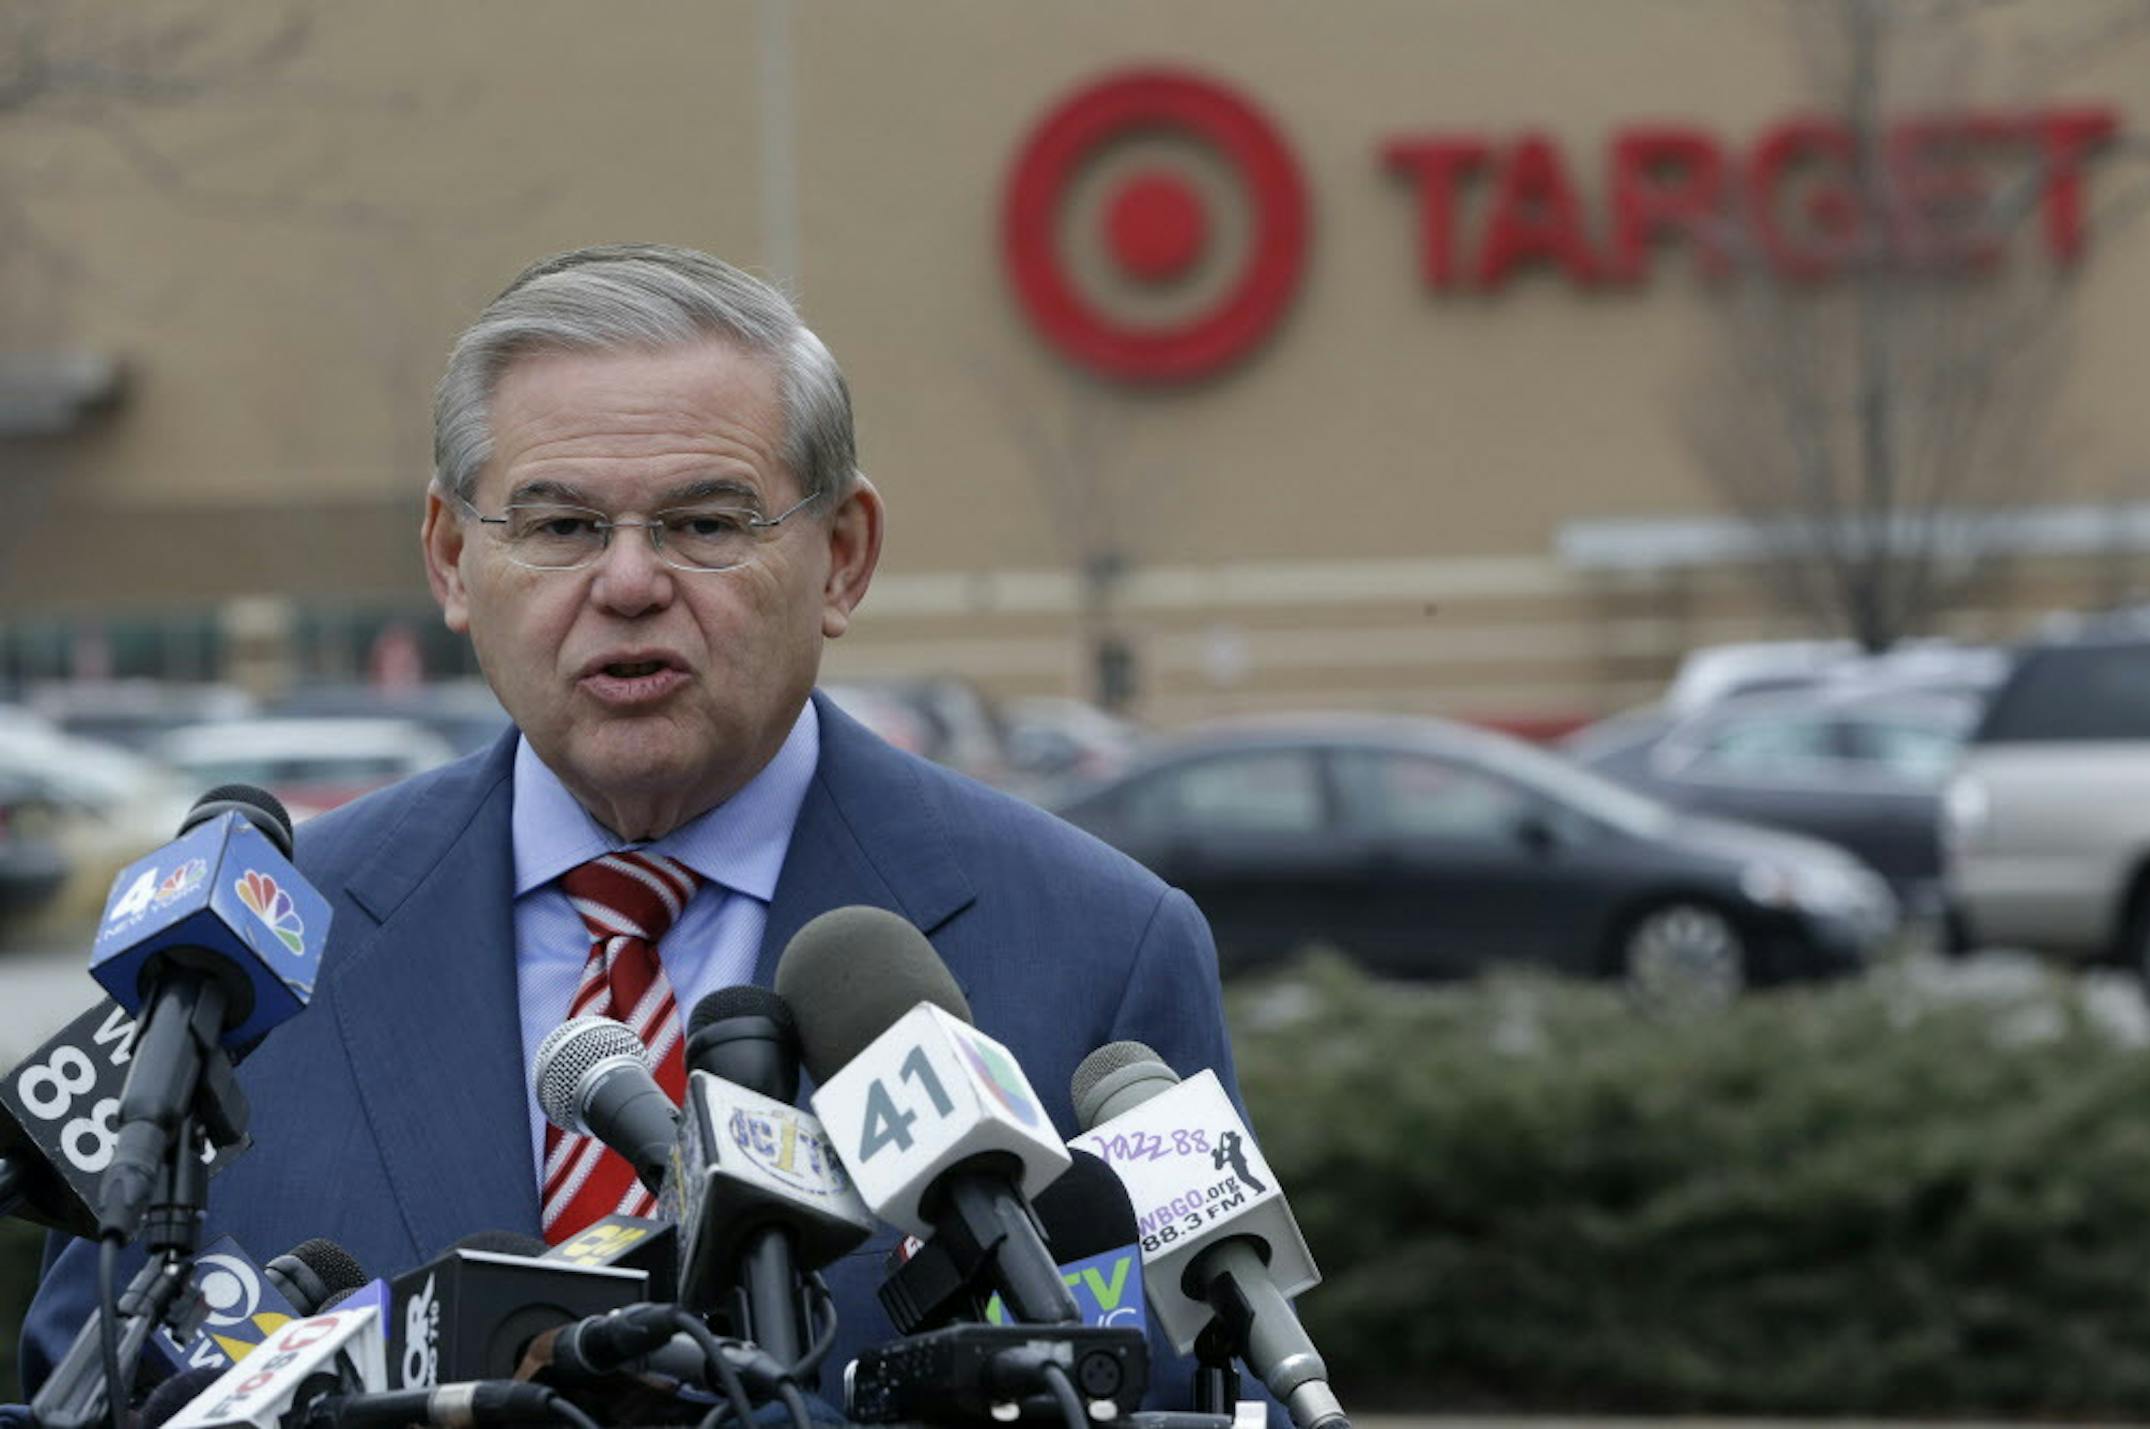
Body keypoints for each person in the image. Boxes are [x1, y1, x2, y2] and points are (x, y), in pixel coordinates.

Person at [17, 244, 1268, 1416]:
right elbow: (89, 1374)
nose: (626, 584)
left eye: (706, 524)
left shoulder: (1104, 948)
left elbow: (1180, 1380)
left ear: (843, 556)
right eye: (559, 526)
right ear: (453, 561)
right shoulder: (243, 955)